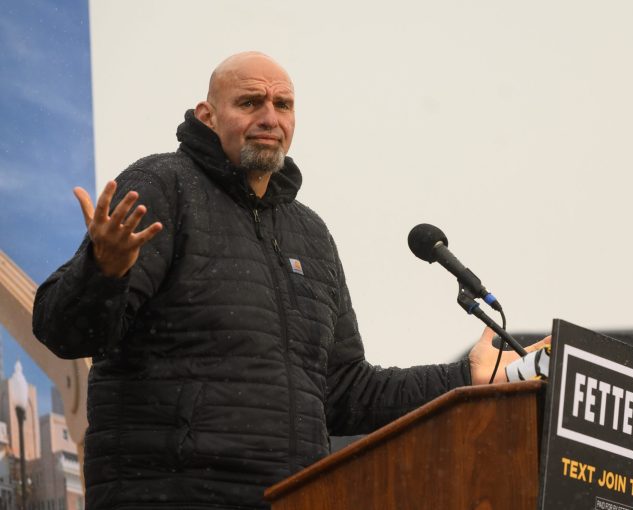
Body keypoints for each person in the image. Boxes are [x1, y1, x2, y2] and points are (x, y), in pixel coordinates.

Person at [33, 52, 547, 509]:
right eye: (250, 102)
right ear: (207, 116)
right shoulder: (163, 186)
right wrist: (105, 269)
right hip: (171, 493)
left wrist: (466, 379)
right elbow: (65, 331)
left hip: (294, 496)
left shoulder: (310, 233)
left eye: (283, 105)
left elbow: (344, 392)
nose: (269, 118)